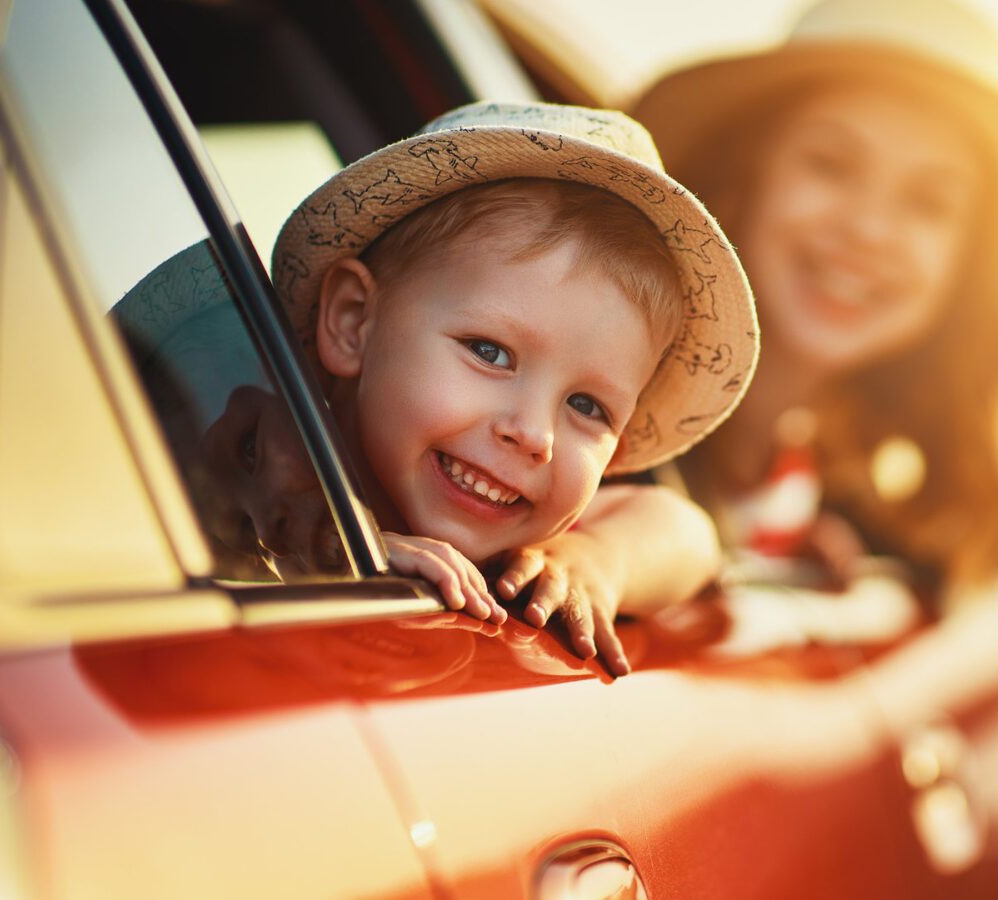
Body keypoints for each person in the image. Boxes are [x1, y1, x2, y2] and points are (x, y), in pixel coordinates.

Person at [630, 0, 998, 606]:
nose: (870, 230)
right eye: (830, 165)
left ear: (967, 268)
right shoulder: (586, 422)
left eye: (928, 203)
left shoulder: (833, 507)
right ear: (743, 180)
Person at [270, 101, 759, 673]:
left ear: (614, 455)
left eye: (587, 406)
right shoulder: (263, 448)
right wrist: (325, 538)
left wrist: (594, 560)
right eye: (489, 353)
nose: (534, 434)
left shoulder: (528, 555)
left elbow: (689, 536)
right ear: (354, 322)